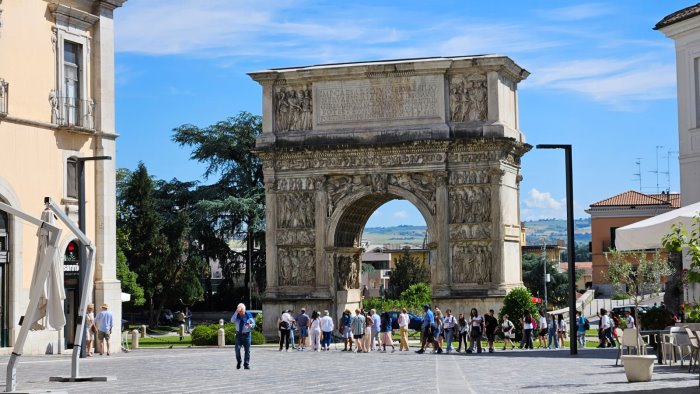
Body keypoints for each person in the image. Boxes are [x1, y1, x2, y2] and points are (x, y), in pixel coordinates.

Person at [231, 303, 255, 370]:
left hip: (247, 335)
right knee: (237, 349)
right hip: (238, 334)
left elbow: (253, 324)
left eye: (242, 311)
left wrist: (249, 325)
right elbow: (232, 320)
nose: (241, 313)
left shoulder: (248, 315)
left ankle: (246, 364)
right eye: (240, 311)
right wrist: (236, 312)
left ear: (244, 310)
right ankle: (239, 362)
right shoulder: (237, 315)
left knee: (247, 350)